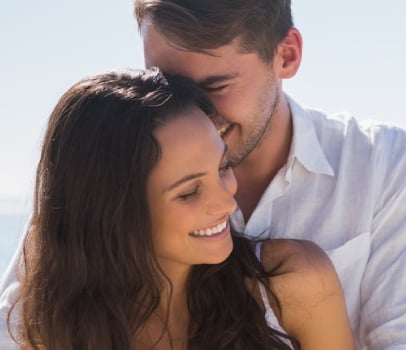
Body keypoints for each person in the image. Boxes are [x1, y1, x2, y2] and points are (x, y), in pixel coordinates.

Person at [133, 1, 406, 349]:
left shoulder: (380, 160)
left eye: (216, 87)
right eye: (170, 89)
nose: (195, 113)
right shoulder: (127, 180)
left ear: (286, 55)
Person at [4, 68, 354, 349]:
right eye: (189, 192)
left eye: (222, 167)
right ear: (113, 212)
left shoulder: (295, 283)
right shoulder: (52, 333)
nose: (226, 202)